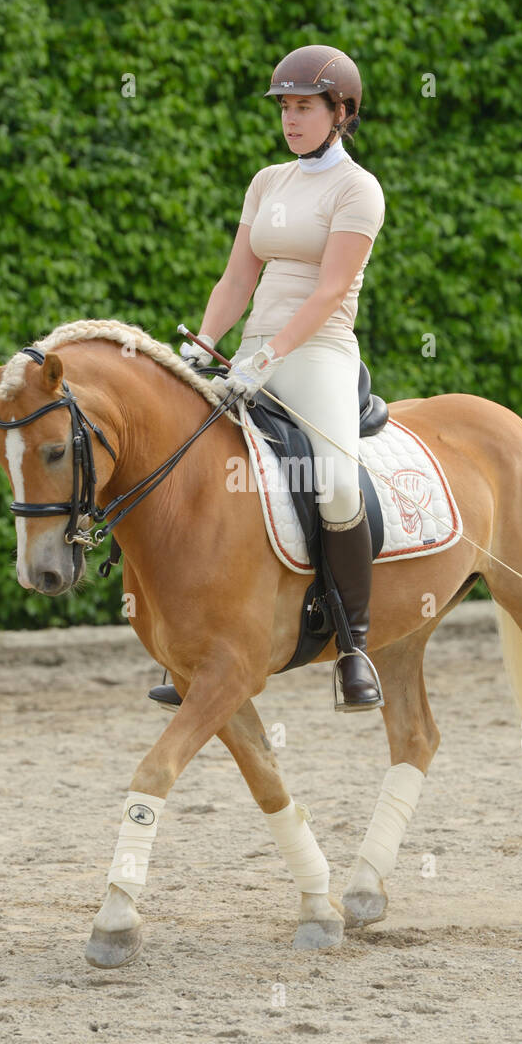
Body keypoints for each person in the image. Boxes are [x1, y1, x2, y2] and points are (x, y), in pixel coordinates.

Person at [158, 44, 386, 711]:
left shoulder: (357, 189)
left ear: (340, 111)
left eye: (305, 107)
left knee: (337, 484)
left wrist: (272, 355)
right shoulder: (267, 182)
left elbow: (330, 289)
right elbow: (238, 277)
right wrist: (205, 345)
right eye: (285, 107)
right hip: (252, 348)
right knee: (185, 464)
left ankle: (354, 647)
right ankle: (192, 646)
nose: (291, 119)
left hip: (318, 352)